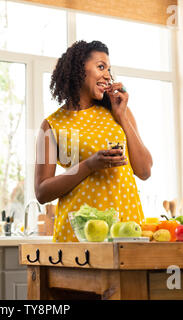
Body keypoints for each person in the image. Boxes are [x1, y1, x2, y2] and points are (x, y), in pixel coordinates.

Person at [34, 40, 153, 242]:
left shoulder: (118, 111)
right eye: (101, 67)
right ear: (79, 69)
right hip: (79, 234)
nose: (107, 75)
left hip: (125, 228)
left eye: (108, 69)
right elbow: (42, 191)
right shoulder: (52, 125)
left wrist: (122, 115)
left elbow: (144, 171)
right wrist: (89, 165)